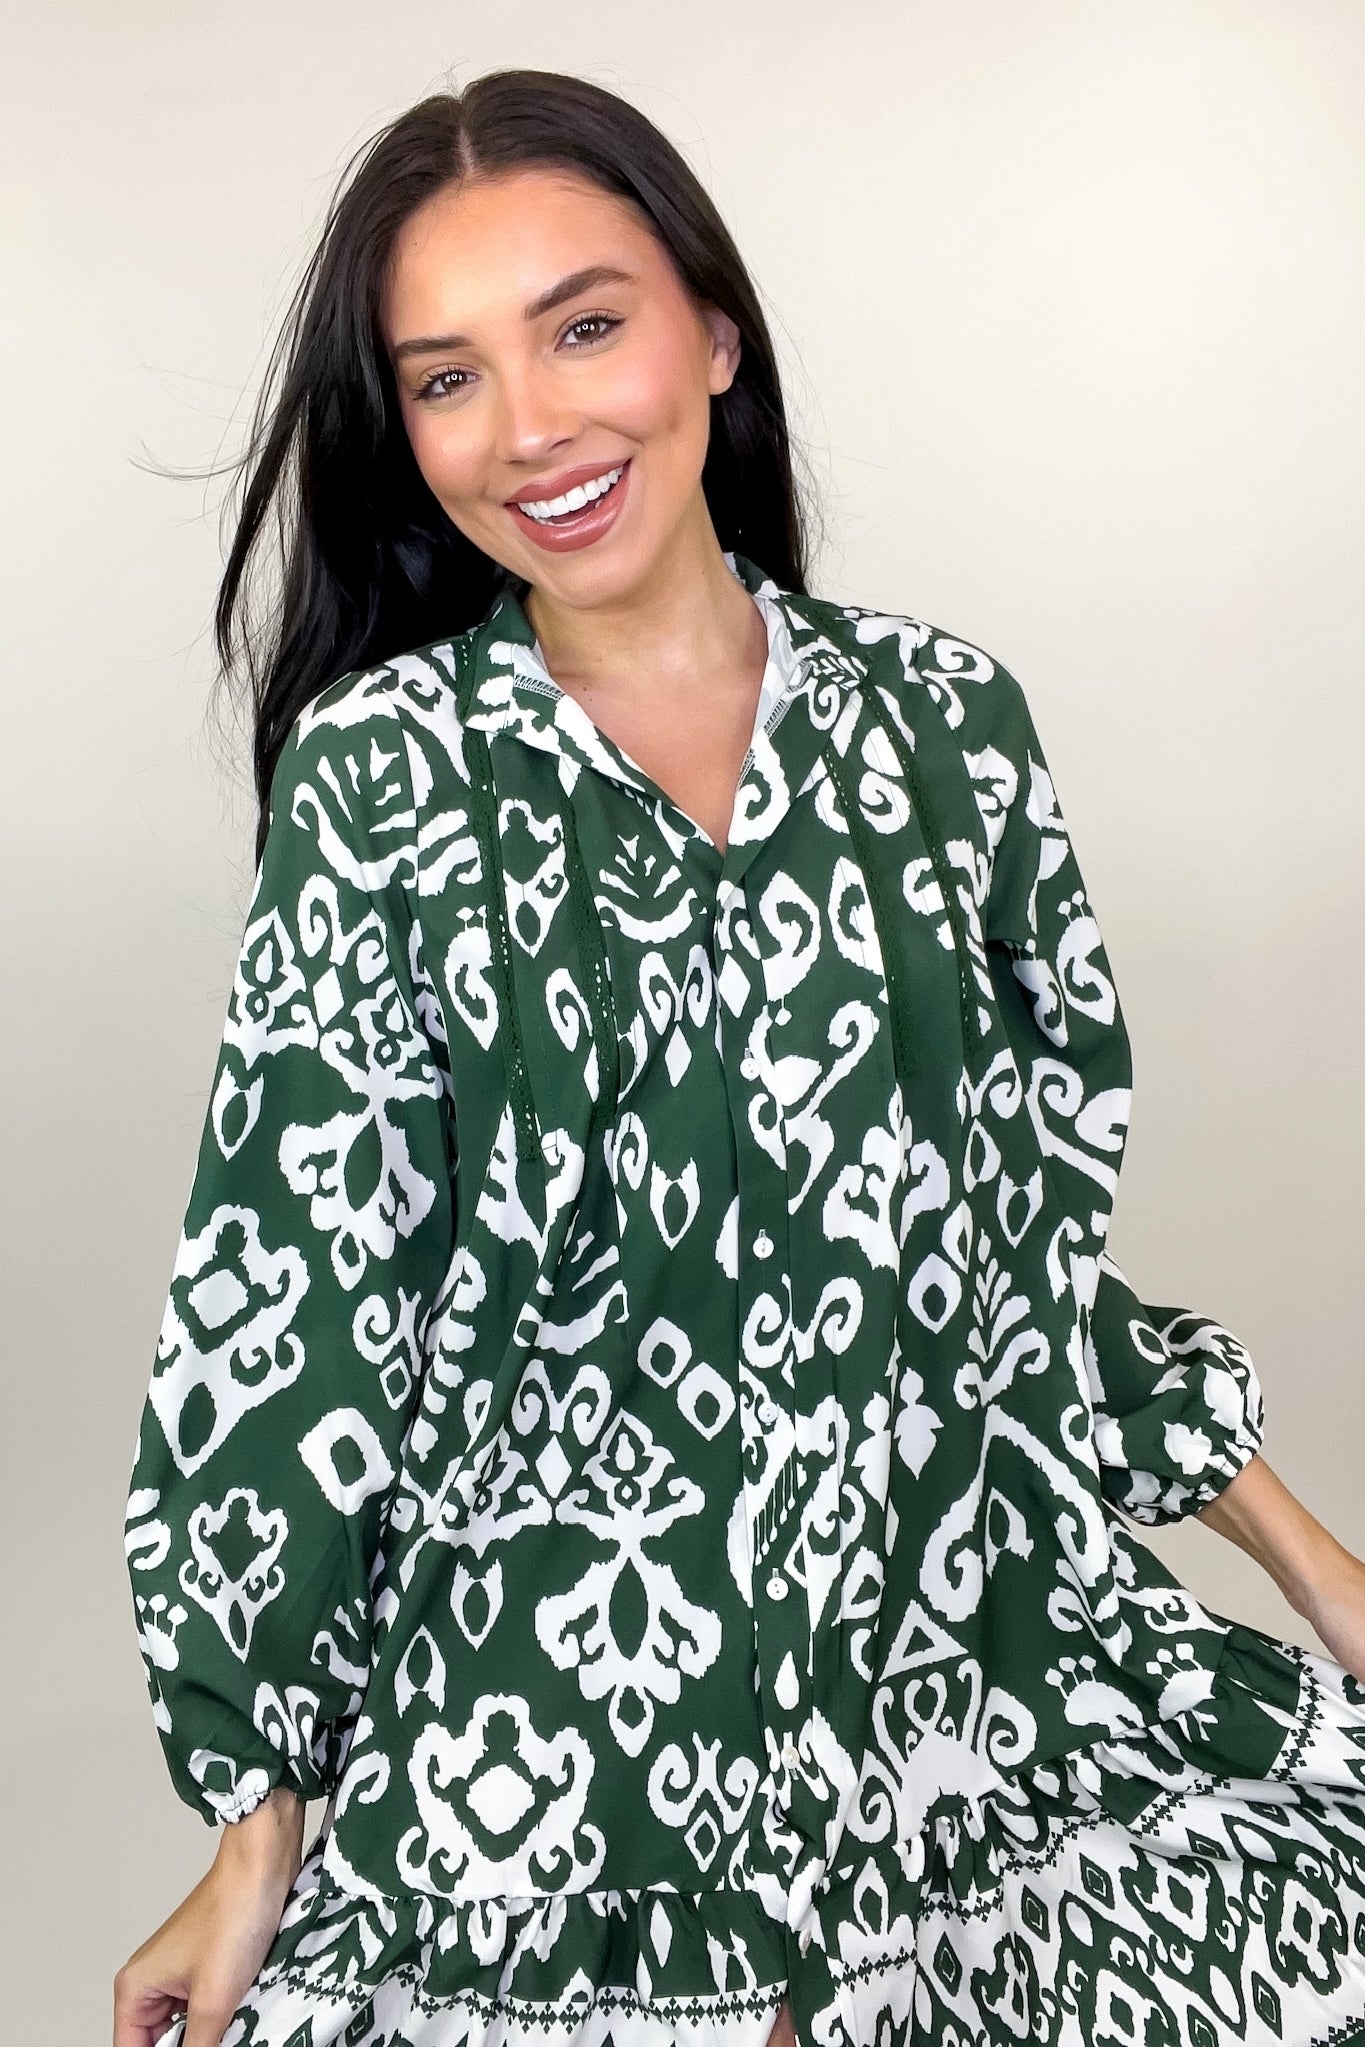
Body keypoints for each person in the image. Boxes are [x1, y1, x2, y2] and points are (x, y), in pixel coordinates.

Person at [113, 65, 1365, 2047]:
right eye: (446, 378)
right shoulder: (386, 784)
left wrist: (1317, 1570)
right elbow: (290, 1316)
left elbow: (996, 1248)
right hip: (557, 1721)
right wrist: (254, 1826)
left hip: (958, 1660)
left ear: (710, 332)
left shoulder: (944, 729)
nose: (529, 429)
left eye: (582, 328)